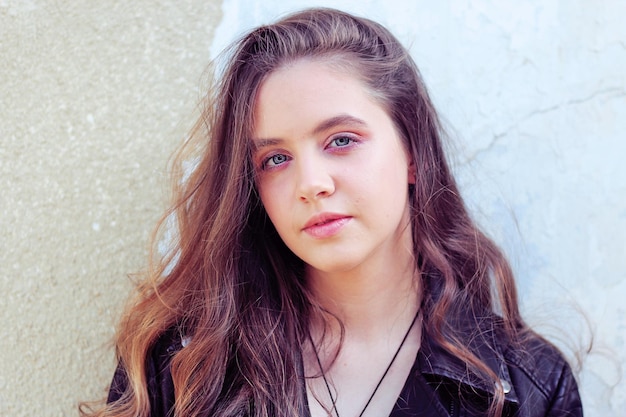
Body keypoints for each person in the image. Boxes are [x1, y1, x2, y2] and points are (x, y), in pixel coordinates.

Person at [81, 7, 583, 417]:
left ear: (413, 154)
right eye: (275, 159)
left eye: (341, 140)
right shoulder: (183, 365)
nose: (311, 184)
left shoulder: (529, 385)